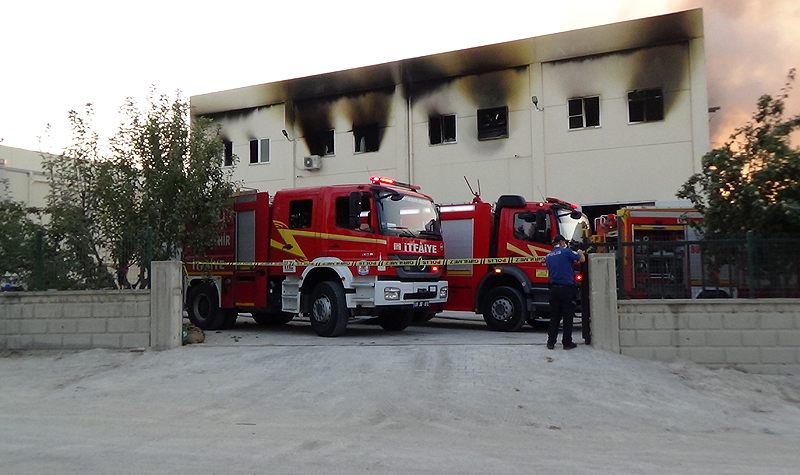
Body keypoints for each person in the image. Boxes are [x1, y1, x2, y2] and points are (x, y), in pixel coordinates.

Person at [545, 234, 585, 350]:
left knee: (554, 317)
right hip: (567, 289)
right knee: (567, 316)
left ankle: (551, 342)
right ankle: (567, 343)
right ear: (562, 242)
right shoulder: (566, 251)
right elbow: (581, 259)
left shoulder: (548, 256)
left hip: (553, 289)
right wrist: (580, 252)